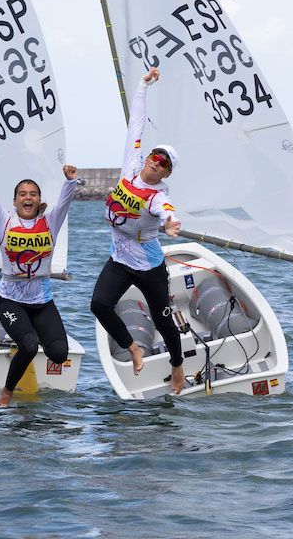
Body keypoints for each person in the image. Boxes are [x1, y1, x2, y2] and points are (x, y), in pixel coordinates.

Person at [89, 67, 187, 395]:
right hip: (120, 258)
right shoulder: (131, 166)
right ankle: (133, 348)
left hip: (148, 265)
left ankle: (177, 366)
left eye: (164, 163)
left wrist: (170, 222)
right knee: (99, 304)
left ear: (168, 172)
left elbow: (166, 211)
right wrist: (143, 86)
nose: (156, 162)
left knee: (164, 322)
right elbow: (137, 124)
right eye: (155, 156)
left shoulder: (159, 195)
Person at [0, 136, 78, 406]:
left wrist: (69, 181)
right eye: (23, 194)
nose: (28, 198)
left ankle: (27, 335)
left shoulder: (50, 221)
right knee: (30, 345)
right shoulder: (5, 220)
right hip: (9, 297)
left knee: (58, 354)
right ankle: (7, 391)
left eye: (33, 194)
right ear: (15, 200)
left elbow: (66, 201)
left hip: (41, 299)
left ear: (39, 200)